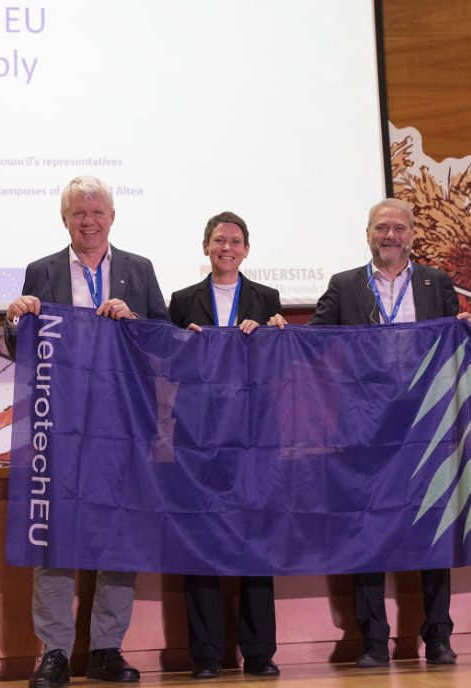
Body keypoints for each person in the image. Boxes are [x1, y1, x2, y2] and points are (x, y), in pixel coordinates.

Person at [6, 175, 168, 688]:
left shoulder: (139, 271)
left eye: (97, 212)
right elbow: (23, 355)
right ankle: (54, 652)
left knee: (119, 535)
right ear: (65, 219)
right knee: (54, 536)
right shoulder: (43, 270)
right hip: (57, 428)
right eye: (79, 213)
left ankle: (106, 649)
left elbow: (163, 346)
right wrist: (16, 323)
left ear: (113, 217)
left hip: (123, 425)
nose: (89, 221)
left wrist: (135, 320)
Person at [309, 197, 471, 668]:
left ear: (412, 236)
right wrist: (282, 332)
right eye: (382, 228)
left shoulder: (436, 283)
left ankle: (438, 637)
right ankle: (374, 640)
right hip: (363, 427)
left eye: (399, 228)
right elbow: (316, 341)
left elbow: (452, 347)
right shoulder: (345, 285)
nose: (390, 236)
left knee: (434, 529)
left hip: (427, 424)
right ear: (368, 234)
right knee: (366, 529)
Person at [168, 211, 287, 679]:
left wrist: (277, 335)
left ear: (246, 249)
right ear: (205, 247)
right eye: (219, 240)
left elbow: (277, 369)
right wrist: (183, 343)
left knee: (255, 542)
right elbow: (167, 364)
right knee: (200, 544)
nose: (227, 248)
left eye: (235, 241)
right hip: (196, 439)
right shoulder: (181, 301)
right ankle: (206, 655)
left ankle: (259, 653)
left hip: (253, 437)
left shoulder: (267, 299)